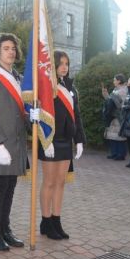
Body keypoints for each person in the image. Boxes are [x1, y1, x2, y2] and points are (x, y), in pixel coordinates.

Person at [0, 33, 26, 251]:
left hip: (17, 141)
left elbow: (20, 109)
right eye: (6, 48)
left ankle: (5, 228)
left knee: (11, 186)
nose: (10, 51)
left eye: (13, 48)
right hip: (1, 141)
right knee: (0, 186)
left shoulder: (18, 77)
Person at [38, 50, 86, 240]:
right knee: (49, 182)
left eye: (66, 63)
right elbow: (41, 113)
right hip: (50, 140)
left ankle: (56, 220)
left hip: (66, 141)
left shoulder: (72, 88)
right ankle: (45, 220)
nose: (64, 67)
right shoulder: (47, 86)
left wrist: (80, 139)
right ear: (53, 66)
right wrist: (45, 139)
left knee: (60, 183)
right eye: (60, 64)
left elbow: (77, 116)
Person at [102, 74, 127, 160]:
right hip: (113, 115)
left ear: (119, 81)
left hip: (119, 115)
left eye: (114, 80)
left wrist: (109, 99)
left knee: (120, 136)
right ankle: (114, 153)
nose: (113, 81)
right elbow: (110, 102)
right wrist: (106, 95)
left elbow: (119, 103)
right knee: (112, 135)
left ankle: (121, 154)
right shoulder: (115, 90)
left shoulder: (124, 90)